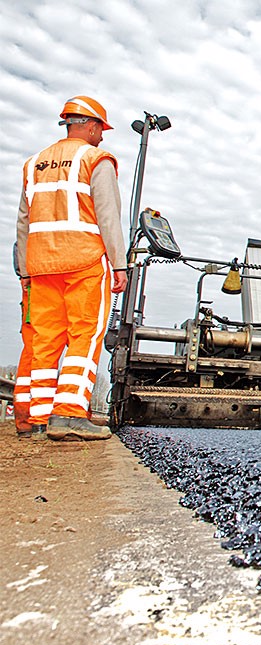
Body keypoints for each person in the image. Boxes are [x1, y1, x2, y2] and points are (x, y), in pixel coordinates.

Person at [15, 95, 127, 441]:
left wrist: (25, 270)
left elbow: (23, 221)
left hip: (40, 266)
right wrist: (119, 264)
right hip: (83, 263)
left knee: (44, 339)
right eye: (101, 129)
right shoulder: (96, 159)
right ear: (91, 126)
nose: (103, 136)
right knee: (85, 335)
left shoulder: (34, 163)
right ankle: (69, 414)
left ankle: (35, 418)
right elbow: (108, 217)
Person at [11, 244, 37, 439]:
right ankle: (72, 413)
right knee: (79, 349)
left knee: (32, 350)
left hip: (33, 284)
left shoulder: (33, 215)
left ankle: (26, 420)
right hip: (67, 284)